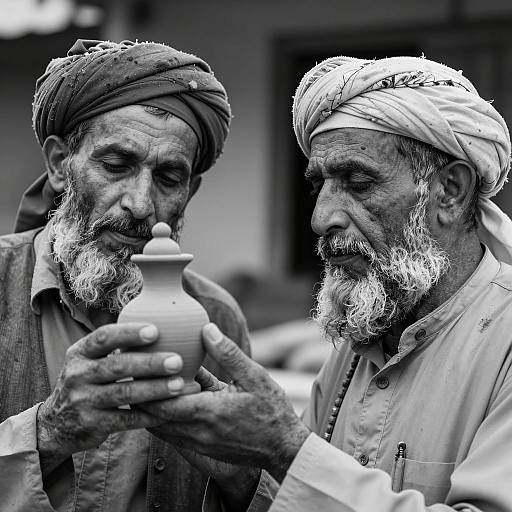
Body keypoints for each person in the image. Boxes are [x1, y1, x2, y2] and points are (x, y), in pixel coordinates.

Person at [140, 55, 512, 511]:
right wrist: (243, 467)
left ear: (449, 191)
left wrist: (287, 450)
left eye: (358, 183)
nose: (321, 219)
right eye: (320, 185)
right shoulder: (357, 343)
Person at [0, 39, 253, 512]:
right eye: (116, 166)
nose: (140, 204)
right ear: (59, 164)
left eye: (168, 178)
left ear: (190, 192)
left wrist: (240, 469)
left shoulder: (217, 319)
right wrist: (50, 432)